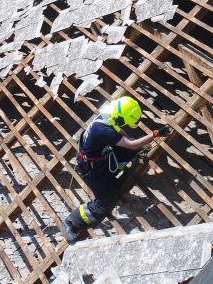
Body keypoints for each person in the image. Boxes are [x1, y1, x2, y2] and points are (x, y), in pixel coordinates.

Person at [63, 97, 171, 243]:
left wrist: (133, 144)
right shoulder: (102, 130)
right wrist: (155, 134)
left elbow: (121, 133)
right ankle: (72, 221)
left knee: (132, 146)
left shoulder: (108, 114)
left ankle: (112, 173)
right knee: (103, 206)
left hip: (101, 156)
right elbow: (130, 144)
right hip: (92, 169)